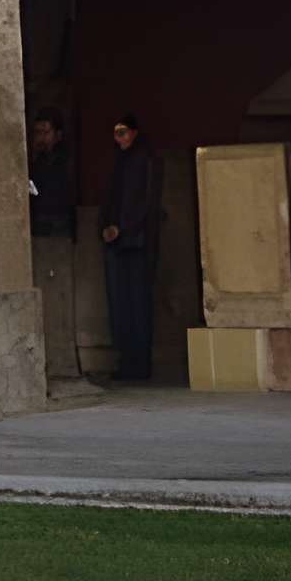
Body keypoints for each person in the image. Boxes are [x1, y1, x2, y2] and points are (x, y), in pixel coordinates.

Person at [99, 113, 161, 382]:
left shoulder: (143, 160)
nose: (119, 138)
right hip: (121, 240)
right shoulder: (123, 161)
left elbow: (144, 203)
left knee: (135, 303)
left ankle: (138, 362)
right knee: (122, 304)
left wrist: (122, 228)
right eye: (116, 133)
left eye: (123, 132)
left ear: (134, 133)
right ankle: (128, 360)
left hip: (135, 242)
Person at [27, 110, 75, 240]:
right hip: (39, 225)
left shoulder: (66, 161)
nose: (41, 137)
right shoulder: (37, 162)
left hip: (59, 226)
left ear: (58, 135)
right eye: (38, 133)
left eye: (46, 132)